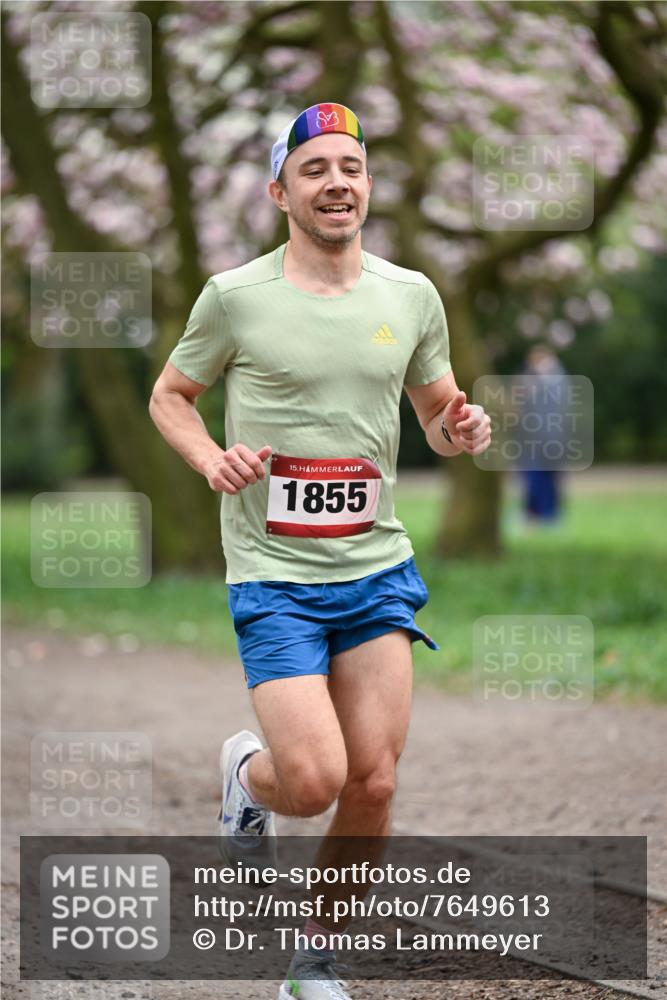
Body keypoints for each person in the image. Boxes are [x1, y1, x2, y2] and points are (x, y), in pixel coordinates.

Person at [149, 102, 491, 1000]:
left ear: (366, 185)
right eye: (314, 170)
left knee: (372, 783)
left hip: (375, 566)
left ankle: (312, 959)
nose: (335, 181)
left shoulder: (409, 294)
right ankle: (244, 778)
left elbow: (437, 415)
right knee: (311, 782)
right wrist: (210, 458)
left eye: (350, 167)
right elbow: (171, 397)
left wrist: (461, 427)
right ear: (279, 191)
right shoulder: (234, 297)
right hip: (275, 575)